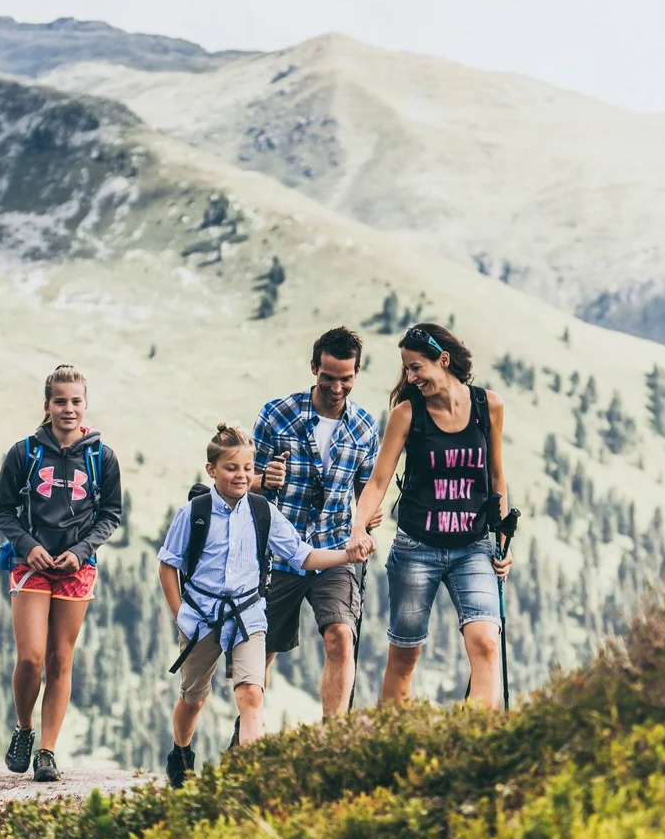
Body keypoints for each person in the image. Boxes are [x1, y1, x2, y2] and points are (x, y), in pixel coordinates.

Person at [159, 423, 373, 788]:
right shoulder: (193, 513)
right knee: (193, 699)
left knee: (251, 694)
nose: (241, 475)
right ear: (212, 470)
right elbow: (168, 565)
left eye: (247, 468)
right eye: (231, 468)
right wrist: (180, 614)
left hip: (248, 617)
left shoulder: (263, 512)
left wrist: (346, 556)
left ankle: (247, 780)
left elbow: (302, 556)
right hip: (201, 619)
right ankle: (181, 753)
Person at [348, 323, 512, 708]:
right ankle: (392, 736)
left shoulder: (488, 406)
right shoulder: (407, 414)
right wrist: (358, 527)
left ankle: (479, 737)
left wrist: (503, 543)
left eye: (416, 367)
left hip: (473, 548)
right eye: (407, 369)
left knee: (486, 643)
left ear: (444, 360)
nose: (410, 377)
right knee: (405, 655)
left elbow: (497, 477)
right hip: (416, 549)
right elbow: (378, 481)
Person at [0, 364, 123, 783]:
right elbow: (2, 509)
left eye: (76, 401)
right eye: (60, 401)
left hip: (75, 569)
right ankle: (23, 729)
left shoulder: (102, 457)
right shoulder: (24, 453)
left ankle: (46, 751)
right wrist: (28, 546)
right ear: (47, 405)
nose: (69, 409)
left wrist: (81, 552)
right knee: (31, 658)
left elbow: (111, 514)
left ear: (86, 404)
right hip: (30, 565)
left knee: (60, 659)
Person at [254, 326, 383, 717]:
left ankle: (333, 737)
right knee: (261, 649)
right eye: (328, 377)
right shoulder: (277, 415)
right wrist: (264, 480)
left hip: (334, 551)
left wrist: (369, 516)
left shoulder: (364, 428)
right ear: (313, 367)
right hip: (278, 553)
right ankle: (249, 735)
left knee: (341, 636)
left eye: (346, 378)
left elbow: (368, 492)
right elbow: (239, 484)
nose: (337, 387)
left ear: (357, 373)